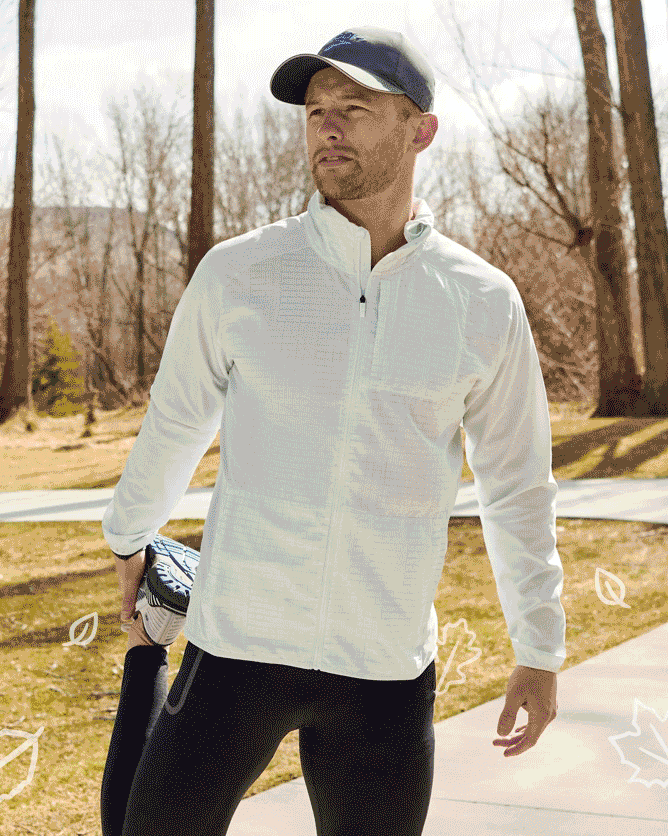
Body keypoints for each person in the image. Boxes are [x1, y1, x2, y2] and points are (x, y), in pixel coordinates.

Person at [100, 26, 566, 836]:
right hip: (236, 645)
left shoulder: (481, 301)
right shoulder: (241, 274)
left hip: (382, 674)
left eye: (353, 107)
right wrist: (128, 537)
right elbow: (175, 420)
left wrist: (540, 646)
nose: (328, 126)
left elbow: (517, 481)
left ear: (421, 129)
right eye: (317, 110)